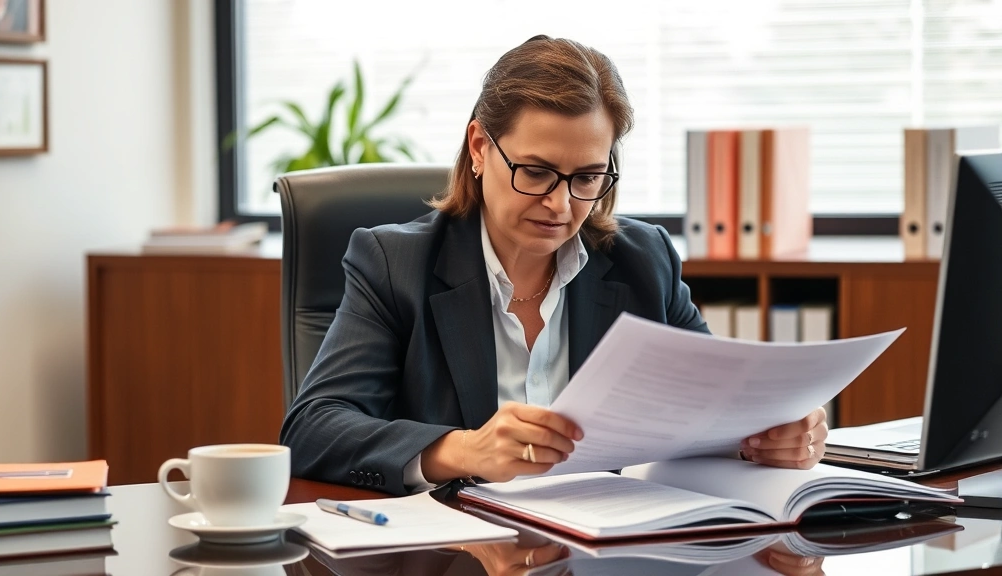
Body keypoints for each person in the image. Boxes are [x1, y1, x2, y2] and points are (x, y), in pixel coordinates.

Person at [279, 35, 828, 496]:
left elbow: (713, 406)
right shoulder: (395, 263)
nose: (562, 206)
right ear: (479, 147)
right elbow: (312, 430)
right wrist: (463, 449)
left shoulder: (643, 261)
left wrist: (766, 433)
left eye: (588, 177)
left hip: (604, 547)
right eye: (537, 172)